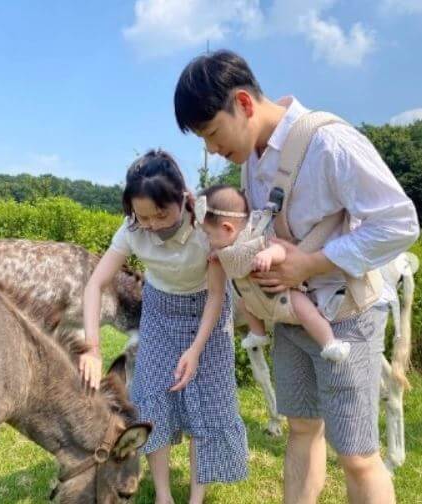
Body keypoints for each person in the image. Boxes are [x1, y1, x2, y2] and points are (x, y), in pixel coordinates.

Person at [174, 49, 419, 504]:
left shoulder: (330, 142)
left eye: (212, 133)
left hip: (344, 315)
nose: (211, 148)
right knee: (302, 429)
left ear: (243, 103)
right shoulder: (251, 158)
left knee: (357, 455)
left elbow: (399, 224)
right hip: (289, 318)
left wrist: (309, 264)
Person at [80, 149, 248, 504]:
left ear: (182, 199)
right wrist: (92, 348)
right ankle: (163, 495)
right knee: (154, 396)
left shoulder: (204, 226)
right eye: (143, 216)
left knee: (206, 402)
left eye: (161, 214)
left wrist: (196, 350)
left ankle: (196, 498)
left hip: (207, 310)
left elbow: (216, 295)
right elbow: (95, 284)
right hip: (160, 310)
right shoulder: (131, 230)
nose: (153, 224)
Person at [196, 184, 350, 362]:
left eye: (208, 234)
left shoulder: (256, 235)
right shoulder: (227, 248)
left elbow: (281, 249)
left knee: (305, 310)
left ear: (228, 228)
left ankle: (329, 342)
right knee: (244, 304)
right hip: (256, 297)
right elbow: (232, 256)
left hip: (283, 294)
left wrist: (268, 255)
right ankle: (258, 333)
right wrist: (218, 255)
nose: (207, 240)